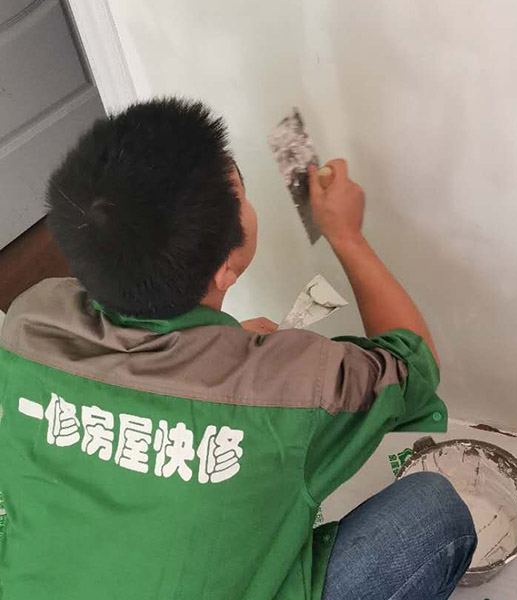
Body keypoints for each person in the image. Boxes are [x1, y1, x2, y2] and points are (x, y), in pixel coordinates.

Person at [0, 99, 476, 600]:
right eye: (242, 195)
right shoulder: (294, 388)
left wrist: (213, 351)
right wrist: (346, 234)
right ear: (225, 266)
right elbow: (413, 365)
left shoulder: (31, 321)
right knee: (434, 513)